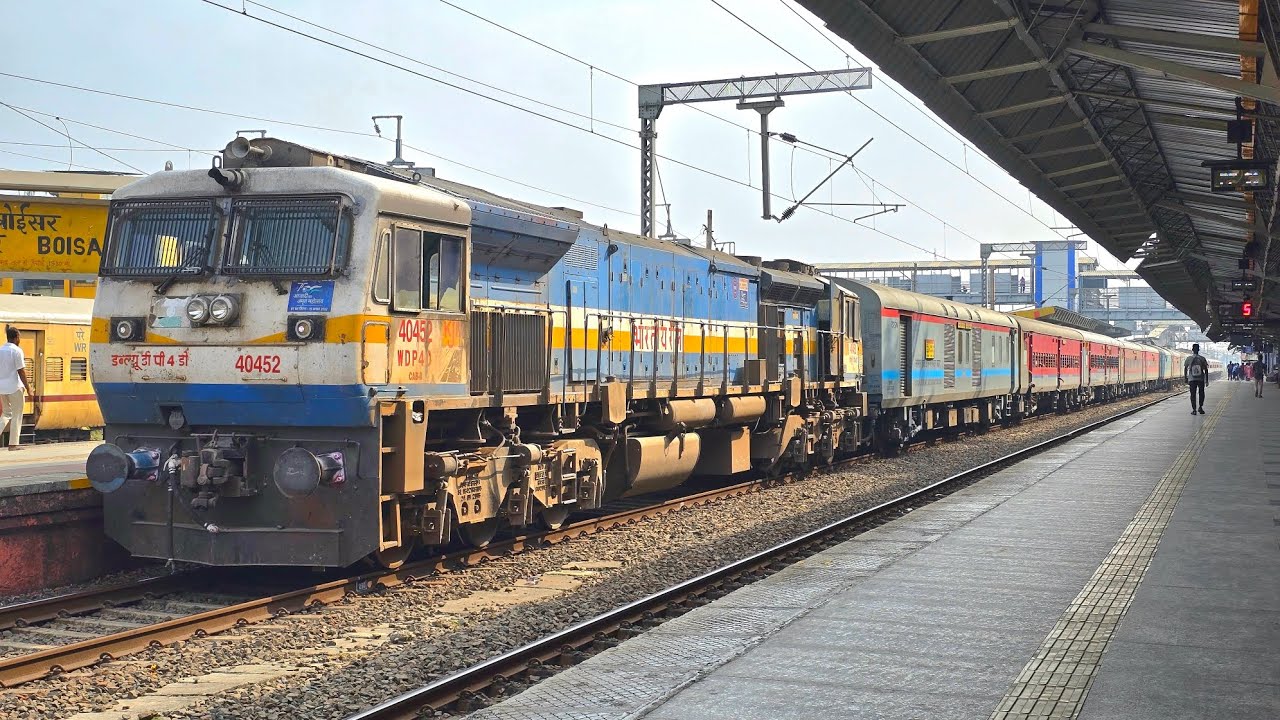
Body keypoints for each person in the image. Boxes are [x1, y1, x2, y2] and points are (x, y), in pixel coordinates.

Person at [0, 326, 30, 450]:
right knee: (17, 415)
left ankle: (12, 443)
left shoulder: (0, 350)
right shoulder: (17, 351)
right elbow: (21, 371)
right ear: (16, 337)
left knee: (6, 413)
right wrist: (29, 388)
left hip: (1, 388)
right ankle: (13, 444)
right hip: (15, 387)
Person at [1183, 343, 1209, 415]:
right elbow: (1206, 370)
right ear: (1198, 350)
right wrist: (1206, 380)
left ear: (1192, 350)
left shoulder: (1189, 358)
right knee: (1201, 393)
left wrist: (1185, 378)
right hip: (1201, 379)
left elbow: (1185, 368)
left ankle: (1194, 410)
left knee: (1193, 394)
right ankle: (1200, 407)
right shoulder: (1202, 358)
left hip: (1192, 379)